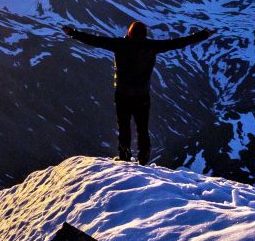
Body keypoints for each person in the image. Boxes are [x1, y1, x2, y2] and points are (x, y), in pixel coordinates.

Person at [63, 21, 213, 164]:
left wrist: (73, 33)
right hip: (142, 95)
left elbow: (94, 40)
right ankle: (143, 157)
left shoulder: (119, 44)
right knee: (142, 127)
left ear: (129, 32)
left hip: (122, 94)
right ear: (144, 34)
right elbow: (177, 43)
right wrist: (203, 34)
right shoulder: (151, 46)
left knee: (124, 125)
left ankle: (124, 155)